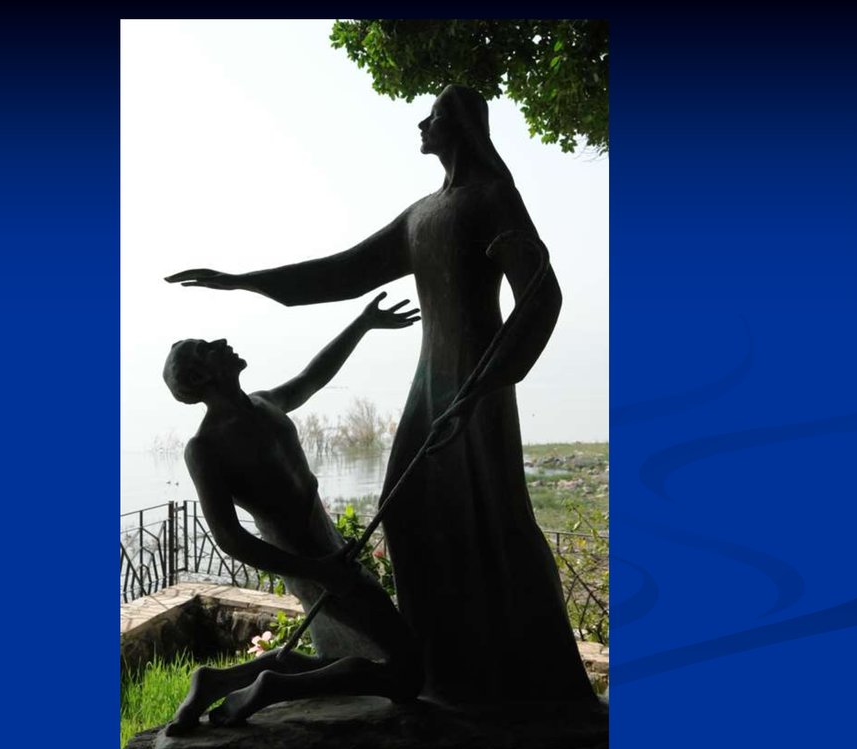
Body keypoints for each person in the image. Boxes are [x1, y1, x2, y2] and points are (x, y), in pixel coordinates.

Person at [166, 85, 595, 706]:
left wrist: (483, 385)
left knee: (492, 520)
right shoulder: (422, 214)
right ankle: (443, 669)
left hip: (478, 383)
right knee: (411, 515)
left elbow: (541, 296)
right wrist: (243, 281)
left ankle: (517, 682)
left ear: (461, 127)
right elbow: (340, 272)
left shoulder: (492, 198)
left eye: (434, 115)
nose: (422, 123)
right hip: (431, 386)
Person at [160, 293, 423, 732]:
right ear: (200, 375)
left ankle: (216, 682)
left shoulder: (264, 402)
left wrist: (363, 323)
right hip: (311, 564)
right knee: (407, 674)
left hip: (332, 553)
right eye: (207, 347)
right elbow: (228, 537)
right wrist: (317, 570)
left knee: (338, 658)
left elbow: (312, 378)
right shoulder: (205, 447)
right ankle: (271, 688)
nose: (221, 342)